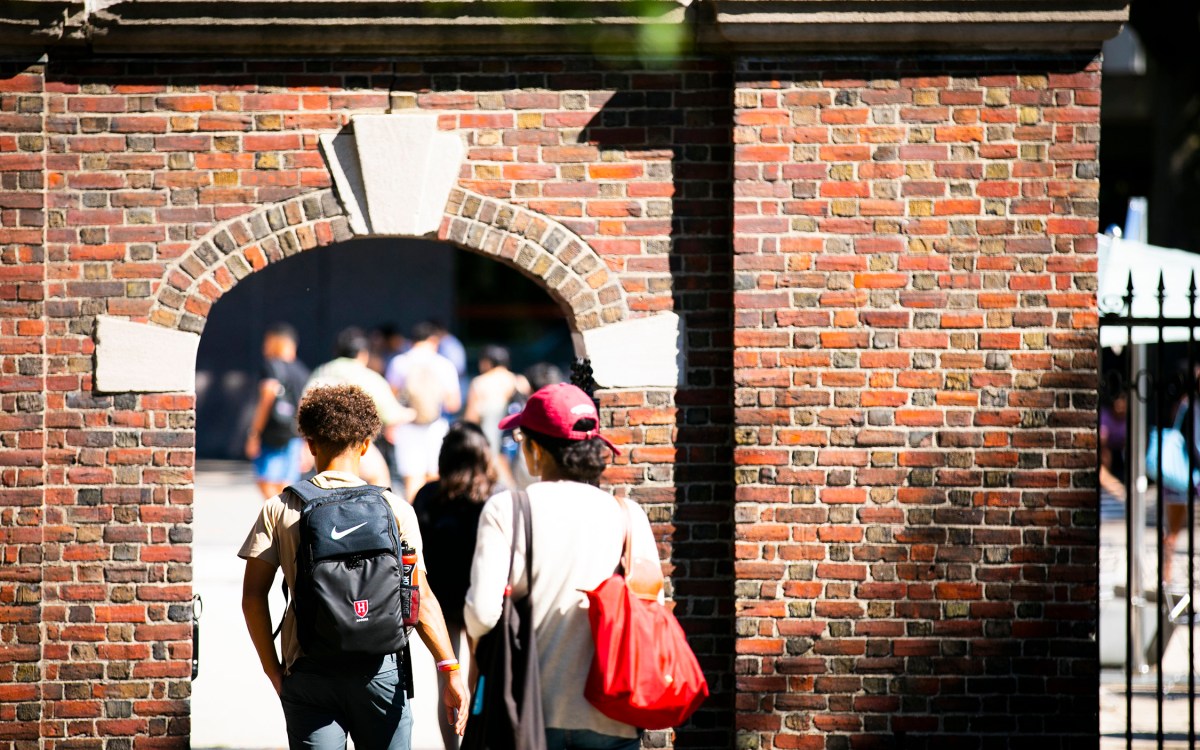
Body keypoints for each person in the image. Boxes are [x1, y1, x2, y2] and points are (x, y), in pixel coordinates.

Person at [239, 384, 469, 749]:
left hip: (309, 671)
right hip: (381, 671)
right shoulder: (396, 510)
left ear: (310, 443)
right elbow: (420, 598)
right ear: (365, 445)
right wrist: (450, 669)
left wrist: (274, 670)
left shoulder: (280, 509)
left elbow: (253, 597)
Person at [464, 383, 659, 750]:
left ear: (535, 449)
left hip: (533, 712)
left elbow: (483, 614)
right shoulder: (627, 516)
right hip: (614, 713)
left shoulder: (509, 510)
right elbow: (653, 609)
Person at [411, 422, 499, 750]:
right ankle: (475, 743)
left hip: (439, 603)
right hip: (481, 600)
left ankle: (453, 748)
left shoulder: (428, 496)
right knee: (480, 681)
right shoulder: (494, 497)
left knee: (447, 683)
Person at [307, 327, 414, 488]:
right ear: (363, 354)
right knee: (380, 478)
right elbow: (391, 414)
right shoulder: (367, 376)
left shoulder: (321, 371)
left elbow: (304, 405)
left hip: (320, 445)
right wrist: (412, 413)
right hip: (354, 444)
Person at [386, 322, 463, 501]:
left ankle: (415, 522)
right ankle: (432, 521)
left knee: (412, 478)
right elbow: (454, 404)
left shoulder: (400, 362)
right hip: (436, 425)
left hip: (407, 425)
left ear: (412, 341)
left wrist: (391, 425)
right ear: (433, 340)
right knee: (435, 475)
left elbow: (391, 399)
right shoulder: (444, 364)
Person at [245, 323, 310, 500]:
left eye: (267, 342)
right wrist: (306, 442)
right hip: (294, 435)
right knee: (287, 485)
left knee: (265, 481)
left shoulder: (271, 366)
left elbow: (268, 396)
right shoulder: (302, 371)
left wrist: (254, 433)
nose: (264, 347)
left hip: (271, 435)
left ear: (278, 342)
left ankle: (278, 520)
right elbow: (304, 406)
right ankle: (285, 521)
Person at [464, 345, 529, 489]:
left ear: (487, 362)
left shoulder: (480, 382)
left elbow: (471, 418)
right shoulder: (520, 381)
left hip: (491, 444)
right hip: (517, 443)